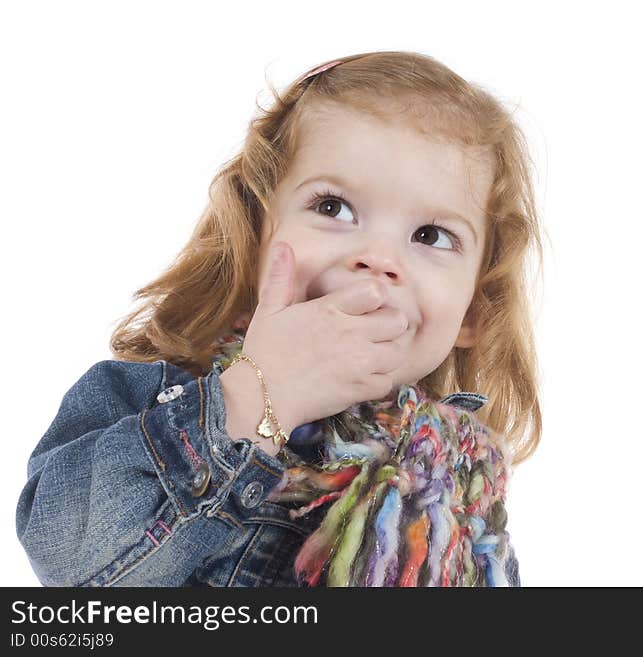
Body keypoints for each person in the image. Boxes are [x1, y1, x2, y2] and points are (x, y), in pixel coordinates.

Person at [16, 50, 544, 587]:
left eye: (430, 236)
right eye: (334, 207)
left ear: (474, 313)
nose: (379, 258)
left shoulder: (456, 494)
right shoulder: (153, 397)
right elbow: (71, 566)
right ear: (254, 242)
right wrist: (257, 397)